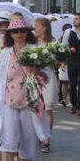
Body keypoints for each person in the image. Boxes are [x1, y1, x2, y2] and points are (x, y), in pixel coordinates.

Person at [0, 18, 47, 161]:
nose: (19, 34)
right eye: (15, 31)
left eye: (22, 31)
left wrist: (36, 70)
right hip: (8, 101)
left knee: (28, 138)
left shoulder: (36, 51)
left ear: (27, 32)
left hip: (29, 101)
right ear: (10, 34)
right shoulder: (5, 53)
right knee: (8, 137)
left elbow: (46, 75)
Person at [33, 17, 58, 152]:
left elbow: (57, 62)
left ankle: (47, 140)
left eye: (36, 26)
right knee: (36, 108)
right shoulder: (32, 43)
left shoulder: (52, 43)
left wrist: (55, 60)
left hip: (48, 77)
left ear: (45, 28)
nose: (34, 29)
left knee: (48, 108)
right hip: (35, 78)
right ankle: (37, 135)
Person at [65, 13, 80, 116]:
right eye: (74, 19)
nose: (74, 20)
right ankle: (74, 104)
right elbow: (63, 47)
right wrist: (63, 60)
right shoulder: (68, 32)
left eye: (77, 19)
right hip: (72, 60)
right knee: (72, 83)